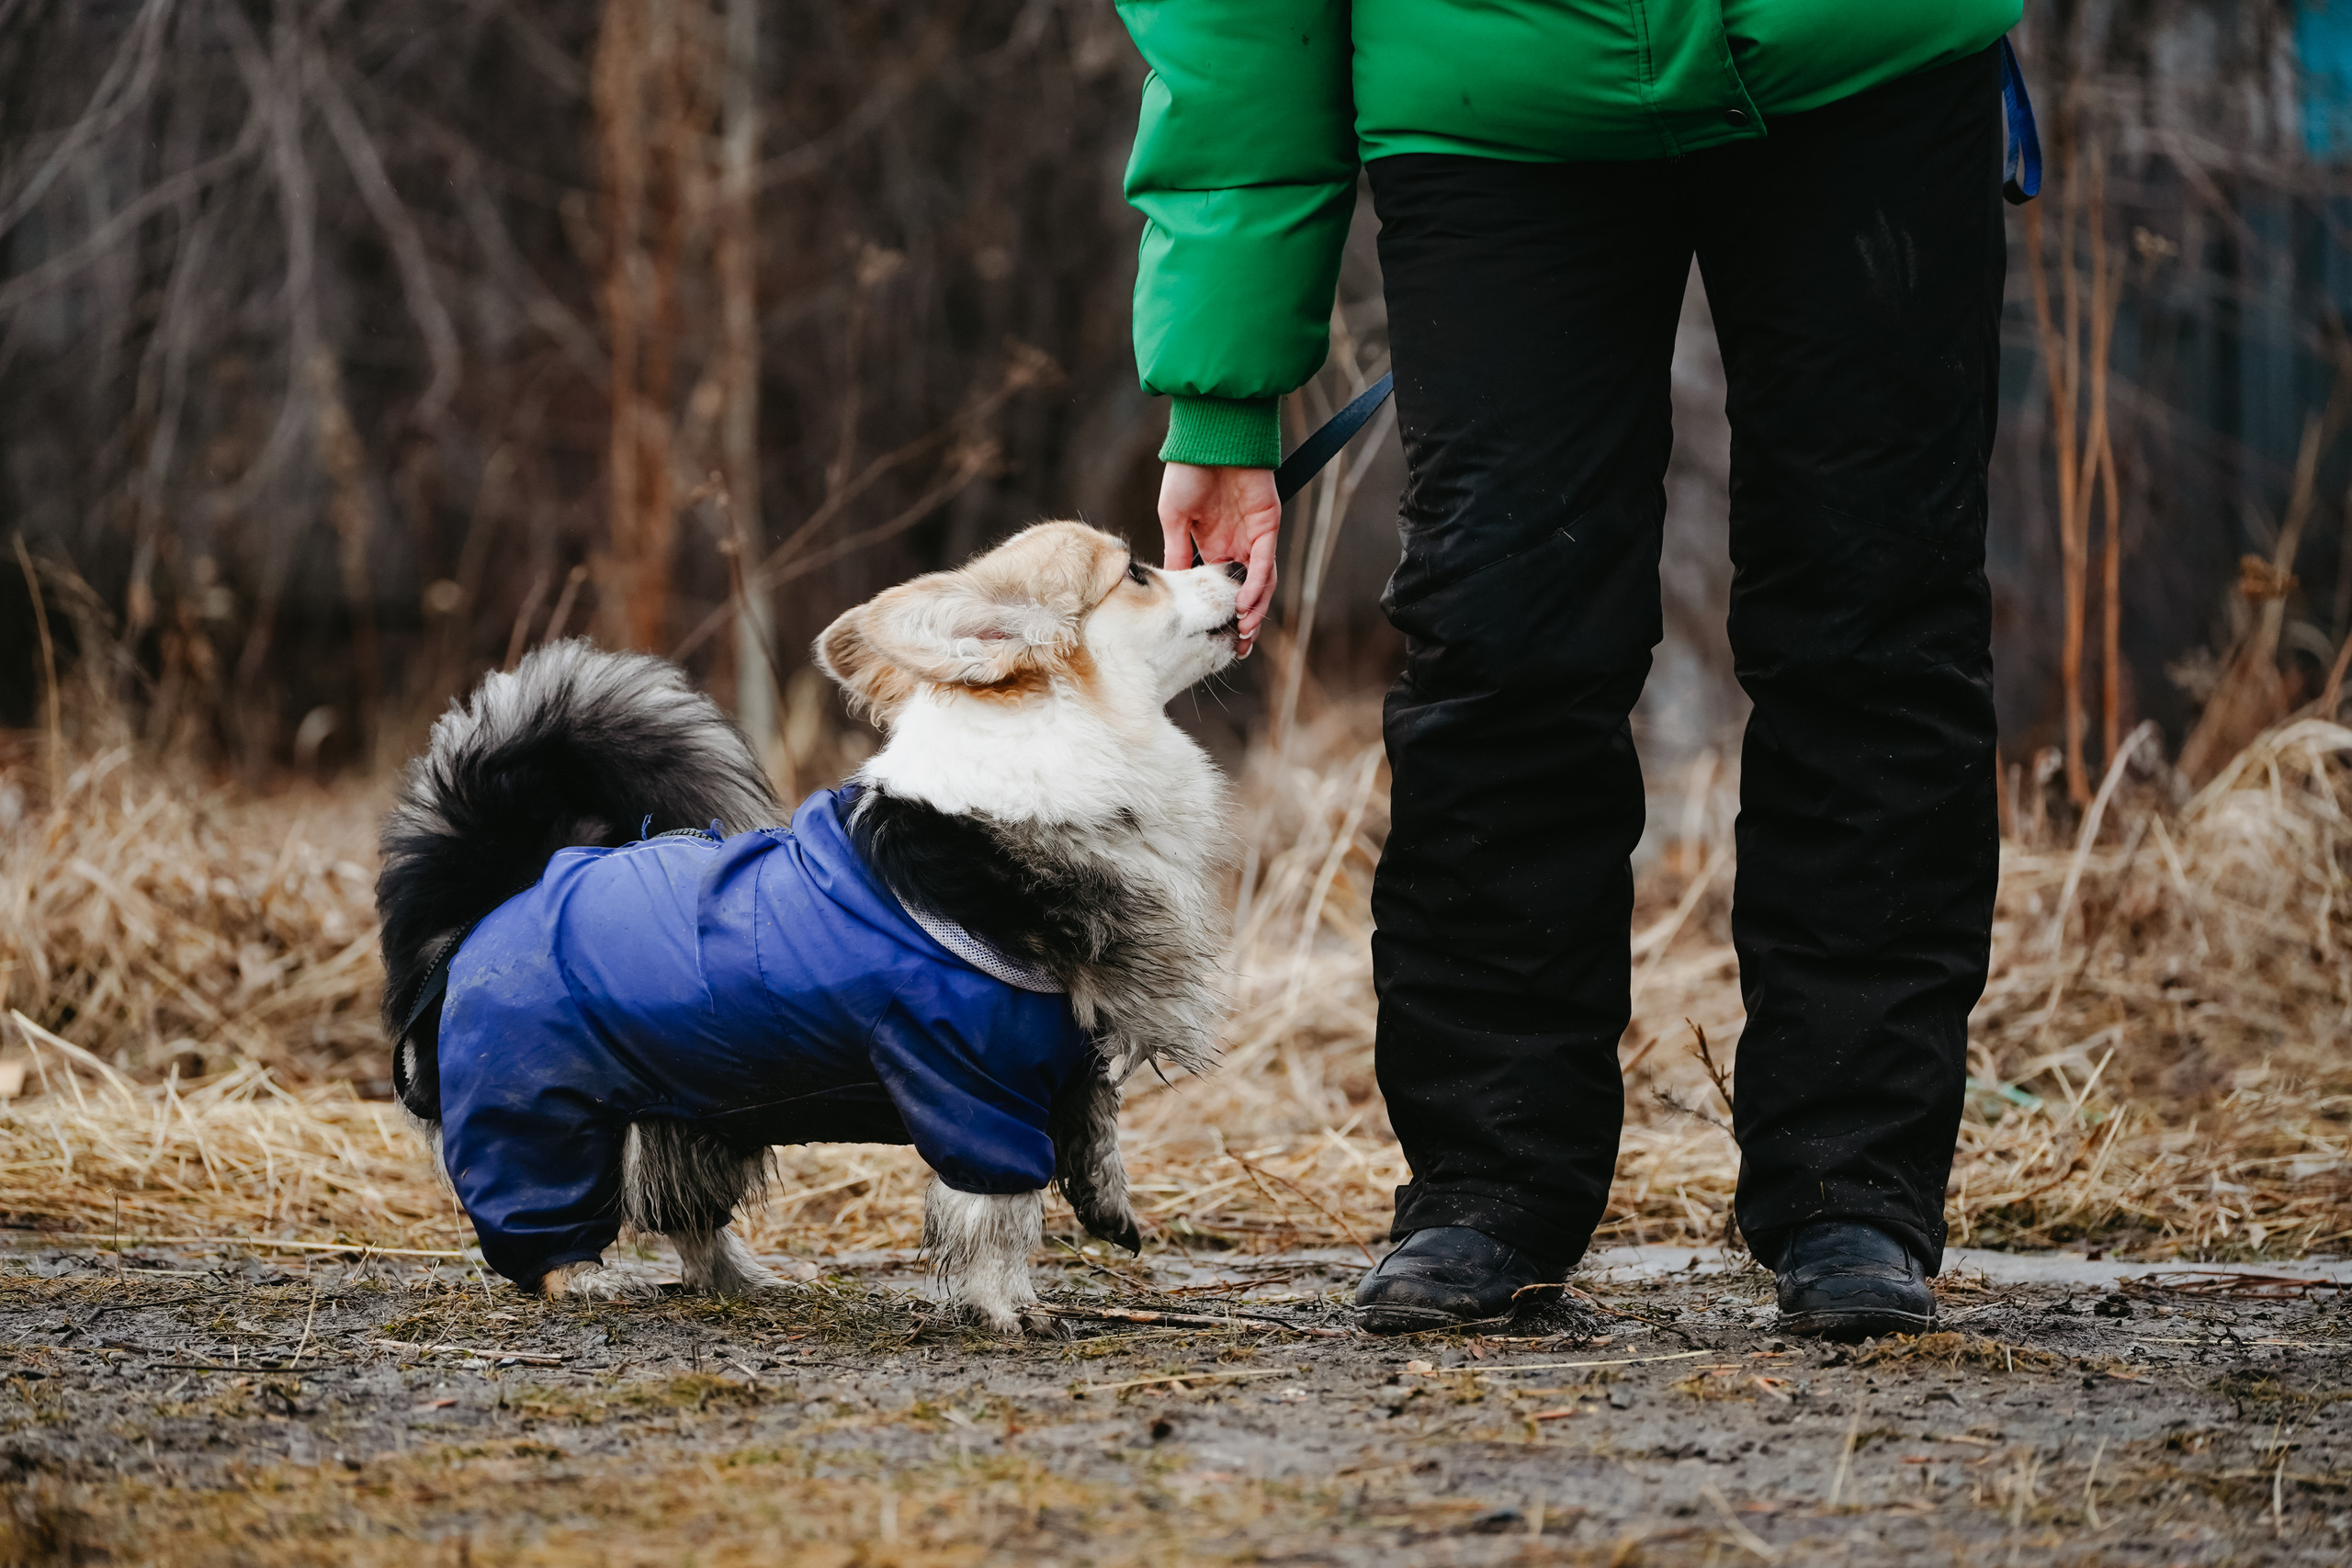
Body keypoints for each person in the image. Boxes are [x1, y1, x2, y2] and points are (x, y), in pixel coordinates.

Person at [1112, 0, 2023, 1337]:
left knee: (1876, 627)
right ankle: (1488, 1186)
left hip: (1866, 59)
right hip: (1490, 89)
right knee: (1502, 641)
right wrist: (1224, 388)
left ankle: (1855, 1187)